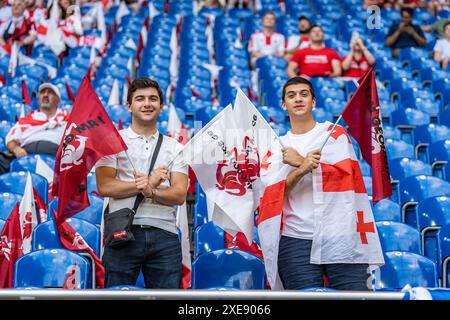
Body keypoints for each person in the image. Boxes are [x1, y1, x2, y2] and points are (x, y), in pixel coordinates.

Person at [276, 76, 384, 290]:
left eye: (304, 94)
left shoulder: (334, 134)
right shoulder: (278, 144)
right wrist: (302, 169)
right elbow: (275, 194)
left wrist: (300, 162)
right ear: (283, 104)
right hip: (297, 237)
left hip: (340, 233)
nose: (298, 99)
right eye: (291, 95)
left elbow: (345, 179)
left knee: (354, 297)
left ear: (313, 102)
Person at [96, 77, 188, 289]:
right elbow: (105, 187)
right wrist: (144, 185)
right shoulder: (111, 141)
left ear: (161, 106)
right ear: (129, 106)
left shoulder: (175, 147)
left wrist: (151, 191)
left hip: (165, 233)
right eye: (140, 99)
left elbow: (180, 195)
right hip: (123, 232)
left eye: (153, 99)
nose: (147, 103)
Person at [0, 83, 68, 173]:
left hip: (57, 155)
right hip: (25, 153)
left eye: (50, 92)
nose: (46, 95)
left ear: (58, 100)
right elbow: (11, 141)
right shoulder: (26, 120)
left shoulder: (68, 120)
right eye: (43, 92)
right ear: (38, 98)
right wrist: (16, 149)